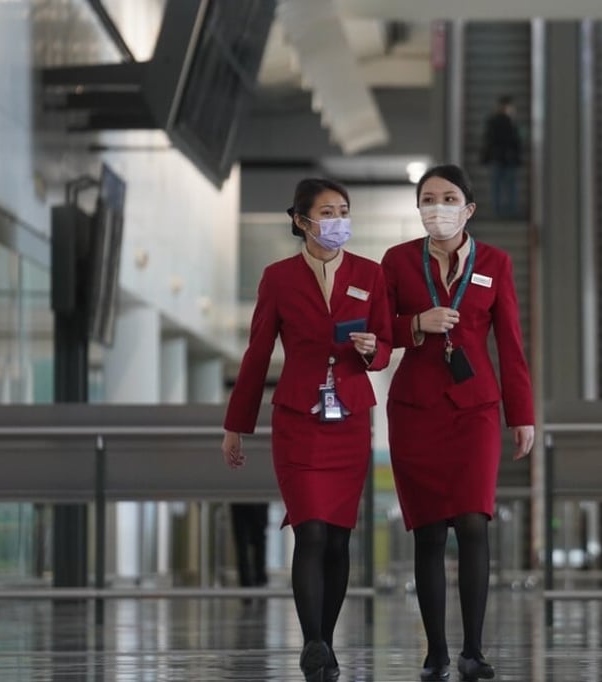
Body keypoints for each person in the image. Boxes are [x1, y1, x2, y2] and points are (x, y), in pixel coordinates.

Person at [221, 178, 392, 682]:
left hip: (350, 419)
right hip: (299, 419)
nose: (338, 220)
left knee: (337, 539)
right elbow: (256, 355)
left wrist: (370, 351)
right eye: (328, 211)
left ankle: (326, 639)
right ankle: (312, 642)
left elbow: (384, 346)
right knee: (309, 530)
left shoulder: (370, 273)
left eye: (344, 210)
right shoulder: (278, 278)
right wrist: (236, 425)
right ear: (301, 221)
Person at [381, 165, 535, 681]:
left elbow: (510, 344)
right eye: (428, 198)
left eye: (449, 198)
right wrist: (415, 325)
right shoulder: (398, 261)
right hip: (416, 410)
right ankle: (436, 651)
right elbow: (379, 334)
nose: (437, 207)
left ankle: (473, 648)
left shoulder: (495, 262)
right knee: (427, 532)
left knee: (473, 521)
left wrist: (523, 415)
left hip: (475, 410)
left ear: (468, 209)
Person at [480, 95, 523, 219]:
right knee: (500, 185)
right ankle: (500, 210)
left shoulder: (510, 121)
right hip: (500, 158)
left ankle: (507, 210)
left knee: (507, 185)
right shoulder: (499, 121)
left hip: (504, 158)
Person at [229, 502, 269, 592]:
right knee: (254, 544)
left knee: (246, 545)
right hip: (252, 502)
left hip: (242, 503)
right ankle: (257, 581)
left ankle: (252, 582)